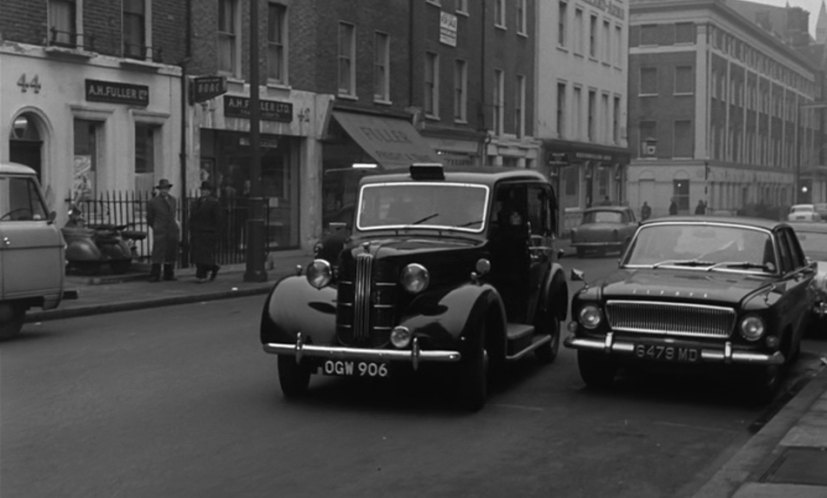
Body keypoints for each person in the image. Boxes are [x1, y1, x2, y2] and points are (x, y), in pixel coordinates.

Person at [146, 178, 181, 282]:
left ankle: (169, 274)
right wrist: (156, 226)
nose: (164, 190)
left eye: (166, 188)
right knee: (158, 253)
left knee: (170, 252)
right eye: (162, 189)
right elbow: (150, 218)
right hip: (160, 230)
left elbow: (173, 215)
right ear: (159, 190)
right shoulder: (153, 202)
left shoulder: (173, 200)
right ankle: (155, 275)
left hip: (171, 229)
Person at [189, 181, 223, 282]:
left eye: (206, 190)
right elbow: (192, 217)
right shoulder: (196, 202)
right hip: (197, 232)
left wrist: (216, 233)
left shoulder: (214, 203)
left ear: (209, 192)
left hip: (208, 232)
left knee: (204, 255)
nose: (204, 192)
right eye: (203, 190)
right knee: (198, 255)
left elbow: (218, 219)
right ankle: (211, 268)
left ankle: (202, 275)